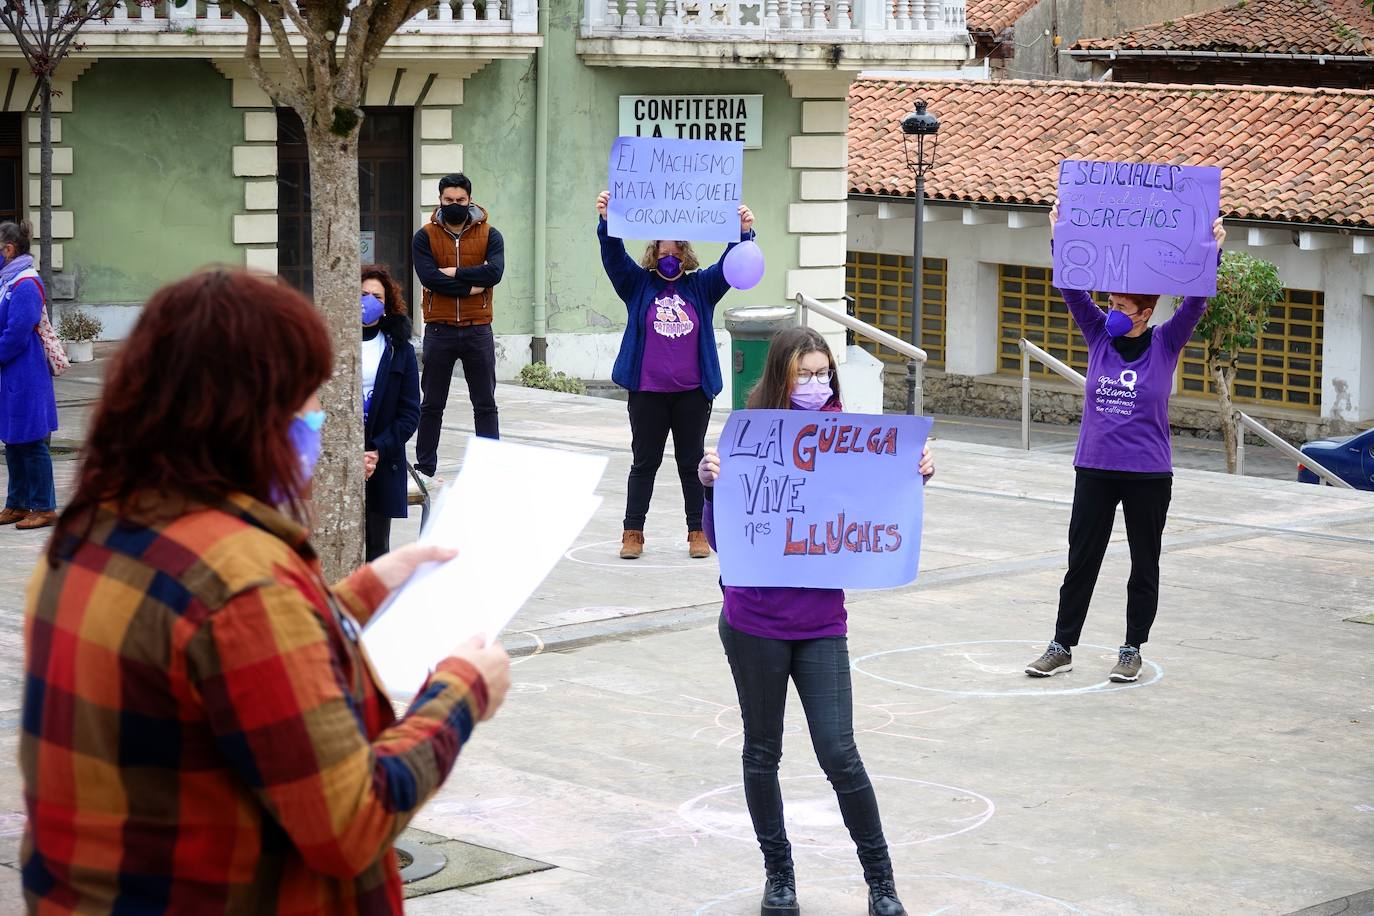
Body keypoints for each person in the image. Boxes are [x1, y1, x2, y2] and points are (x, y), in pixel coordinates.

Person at [21, 268, 510, 913]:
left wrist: (362, 592)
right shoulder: (241, 581)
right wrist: (460, 691)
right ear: (247, 415)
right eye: (307, 398)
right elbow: (351, 821)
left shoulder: (96, 531)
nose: (319, 418)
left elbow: (210, 659)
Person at [697, 326, 934, 916]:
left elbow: (877, 498)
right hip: (754, 619)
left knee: (839, 752)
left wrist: (914, 471)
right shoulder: (747, 438)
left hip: (821, 621)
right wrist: (711, 488)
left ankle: (882, 884)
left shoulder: (848, 435)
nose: (815, 383)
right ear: (780, 375)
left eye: (823, 372)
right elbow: (726, 538)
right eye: (803, 374)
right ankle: (780, 878)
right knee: (762, 752)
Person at [1025, 204, 1226, 683]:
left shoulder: (1165, 343)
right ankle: (1061, 645)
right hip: (1095, 466)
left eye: (1120, 307)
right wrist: (1060, 234)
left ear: (1145, 312)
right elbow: (1071, 288)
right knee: (1081, 560)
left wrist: (1211, 252)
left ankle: (1132, 648)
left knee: (1144, 562)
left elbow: (1196, 303)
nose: (1110, 311)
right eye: (1109, 303)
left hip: (1147, 472)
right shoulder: (1098, 336)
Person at [596, 189, 754, 561]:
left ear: (687, 255)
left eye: (676, 253)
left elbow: (732, 263)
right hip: (647, 391)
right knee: (644, 462)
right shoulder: (637, 285)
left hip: (692, 393)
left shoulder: (702, 287)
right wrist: (606, 221)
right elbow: (614, 258)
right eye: (663, 253)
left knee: (691, 462)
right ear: (654, 255)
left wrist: (743, 232)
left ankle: (697, 531)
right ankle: (632, 532)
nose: (670, 259)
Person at [412, 172, 505, 477]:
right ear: (440, 200)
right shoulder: (424, 236)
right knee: (432, 403)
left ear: (469, 200)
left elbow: (494, 274)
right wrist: (469, 285)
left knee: (485, 403)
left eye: (460, 200)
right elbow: (428, 277)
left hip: (478, 328)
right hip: (439, 329)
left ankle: (489, 465)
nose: (454, 205)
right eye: (449, 200)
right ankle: (425, 465)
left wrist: (452, 272)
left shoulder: (491, 235)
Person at [0, 219, 57, 531]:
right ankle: (18, 503)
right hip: (11, 373)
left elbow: (17, 332)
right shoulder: (8, 281)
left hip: (25, 372)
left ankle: (45, 507)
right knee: (13, 440)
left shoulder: (26, 283)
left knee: (32, 441)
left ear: (8, 250)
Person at [361, 263, 421, 561]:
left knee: (376, 550)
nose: (369, 301)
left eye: (377, 297)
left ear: (387, 305)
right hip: (335, 459)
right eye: (362, 294)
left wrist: (376, 452)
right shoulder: (329, 342)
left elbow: (410, 413)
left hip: (381, 461)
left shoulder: (399, 350)